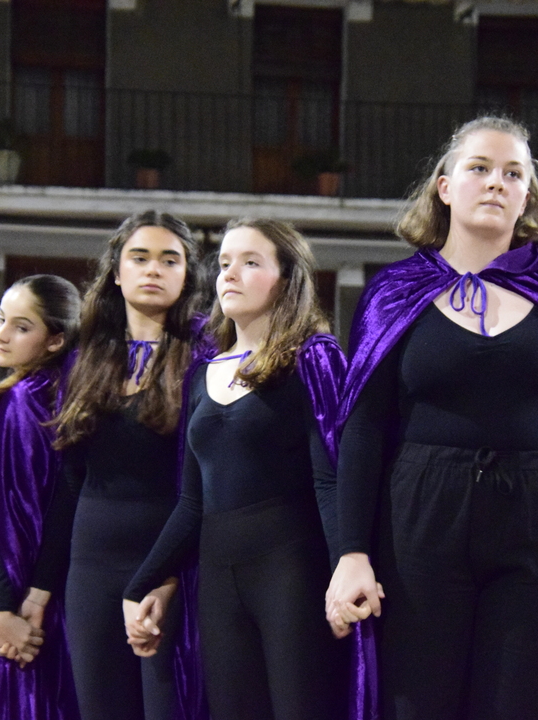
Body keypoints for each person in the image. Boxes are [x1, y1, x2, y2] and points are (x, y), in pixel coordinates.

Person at [324, 115, 538, 720]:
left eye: (513, 173)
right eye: (480, 168)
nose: (497, 182)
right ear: (445, 187)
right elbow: (362, 429)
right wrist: (351, 552)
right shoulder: (394, 291)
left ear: (527, 196)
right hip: (421, 520)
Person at [124, 218, 348, 720]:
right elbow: (191, 501)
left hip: (291, 571)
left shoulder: (313, 358)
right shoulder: (203, 374)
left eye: (250, 262)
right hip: (219, 579)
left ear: (286, 279)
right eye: (225, 263)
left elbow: (330, 479)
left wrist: (344, 568)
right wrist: (143, 581)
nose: (229, 274)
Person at [25, 212, 207, 720]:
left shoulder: (208, 355)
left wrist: (167, 574)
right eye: (140, 257)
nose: (153, 269)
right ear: (117, 272)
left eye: (169, 260)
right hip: (91, 568)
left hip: (175, 566)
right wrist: (40, 587)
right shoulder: (85, 357)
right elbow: (70, 483)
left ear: (187, 275)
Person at [0, 273, 82, 720]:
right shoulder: (67, 398)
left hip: (21, 600)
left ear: (55, 340)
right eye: (0, 318)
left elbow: (18, 520)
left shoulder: (24, 399)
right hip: (59, 593)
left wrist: (2, 608)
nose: (1, 334)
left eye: (22, 326)